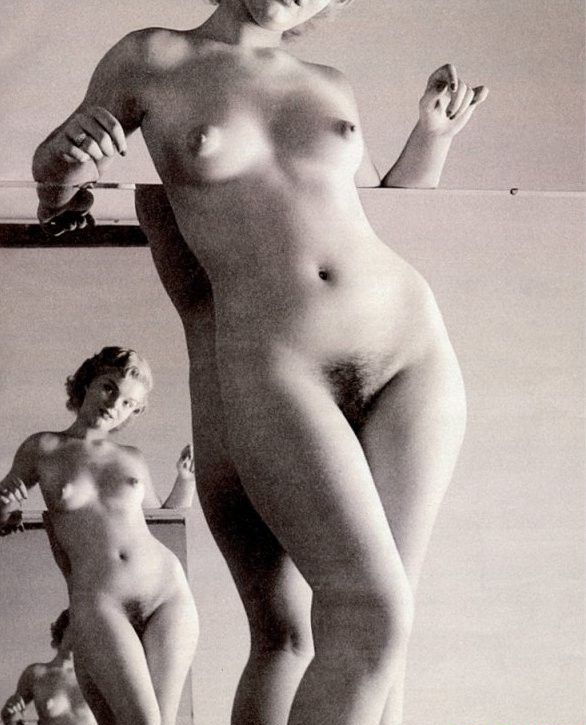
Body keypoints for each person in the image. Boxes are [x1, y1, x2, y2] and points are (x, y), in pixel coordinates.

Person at [31, 2, 489, 724]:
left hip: (408, 342)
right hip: (279, 358)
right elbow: (60, 196)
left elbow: (381, 210)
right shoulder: (152, 56)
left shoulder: (329, 82)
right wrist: (54, 167)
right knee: (368, 616)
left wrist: (432, 136)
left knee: (386, 632)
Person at [0, 347, 199, 725]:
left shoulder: (132, 456)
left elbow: (164, 519)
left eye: (129, 404)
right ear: (87, 383)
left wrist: (185, 479)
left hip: (166, 590)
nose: (115, 405)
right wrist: (5, 504)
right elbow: (3, 510)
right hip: (101, 600)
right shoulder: (43, 447)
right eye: (109, 388)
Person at [1, 609, 97, 725]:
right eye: (75, 629)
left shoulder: (95, 675)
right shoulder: (36, 673)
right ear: (62, 630)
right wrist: (10, 715)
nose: (79, 635)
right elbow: (13, 715)